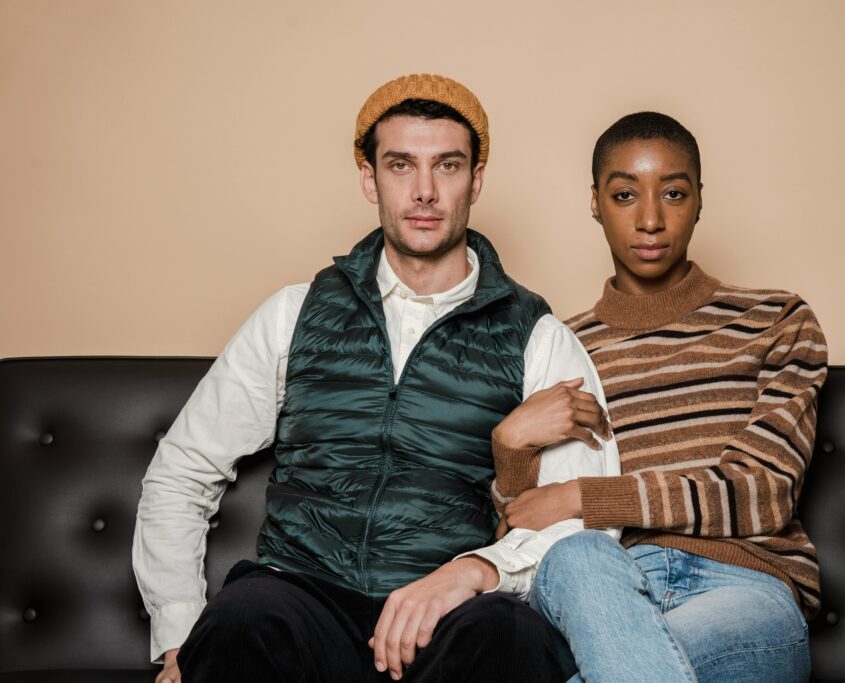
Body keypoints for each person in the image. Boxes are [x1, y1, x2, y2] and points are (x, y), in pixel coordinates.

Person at [132, 74, 618, 683]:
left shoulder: (538, 336)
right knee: (242, 615)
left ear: (476, 179)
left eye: (447, 165)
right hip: (301, 597)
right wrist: (180, 636)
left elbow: (585, 520)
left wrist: (473, 572)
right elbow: (183, 470)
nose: (424, 191)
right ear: (370, 179)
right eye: (400, 165)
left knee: (511, 635)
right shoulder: (295, 312)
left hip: (444, 615)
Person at [490, 111, 828, 682]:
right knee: (576, 556)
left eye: (673, 193)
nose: (650, 219)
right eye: (625, 195)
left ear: (699, 200)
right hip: (600, 591)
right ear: (595, 202)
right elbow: (522, 531)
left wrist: (583, 496)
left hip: (744, 588)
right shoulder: (557, 348)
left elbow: (764, 491)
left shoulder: (776, 319)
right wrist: (510, 444)